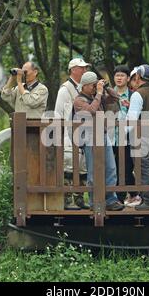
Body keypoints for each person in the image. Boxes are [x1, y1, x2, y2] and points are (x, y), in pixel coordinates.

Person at [73, 71, 124, 211]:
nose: (95, 88)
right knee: (93, 171)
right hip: (89, 137)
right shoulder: (79, 100)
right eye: (92, 85)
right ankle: (94, 201)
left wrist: (105, 86)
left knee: (111, 168)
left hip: (103, 134)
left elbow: (115, 98)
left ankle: (111, 200)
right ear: (84, 86)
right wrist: (99, 94)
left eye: (95, 85)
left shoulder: (98, 95)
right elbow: (90, 111)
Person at [54, 58, 91, 209]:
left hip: (82, 132)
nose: (84, 71)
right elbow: (58, 113)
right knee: (69, 166)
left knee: (82, 166)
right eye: (81, 68)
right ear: (73, 70)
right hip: (68, 134)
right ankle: (66, 199)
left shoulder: (83, 88)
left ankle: (80, 198)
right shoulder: (65, 89)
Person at [126, 64, 149, 210]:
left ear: (138, 77)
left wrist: (123, 132)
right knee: (148, 168)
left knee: (143, 168)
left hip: (140, 136)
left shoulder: (137, 94)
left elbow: (131, 119)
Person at [105, 65, 139, 206]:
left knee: (126, 167)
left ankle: (132, 193)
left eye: (122, 75)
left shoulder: (134, 95)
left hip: (128, 137)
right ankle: (117, 198)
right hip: (110, 137)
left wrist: (130, 105)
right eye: (117, 75)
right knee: (111, 168)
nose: (119, 78)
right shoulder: (107, 95)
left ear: (128, 78)